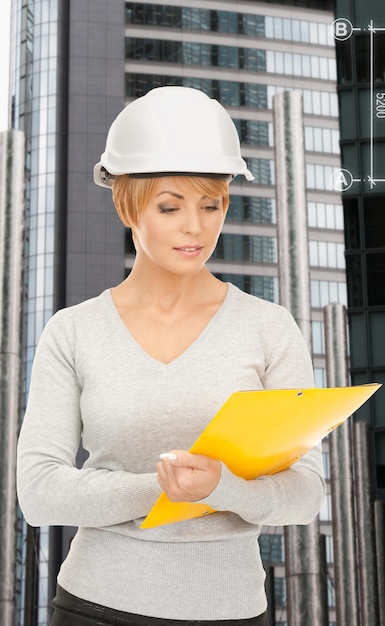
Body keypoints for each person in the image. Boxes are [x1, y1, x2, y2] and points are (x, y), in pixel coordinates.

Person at [16, 86, 325, 625]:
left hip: (233, 610)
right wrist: (158, 489)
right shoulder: (74, 332)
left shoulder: (268, 329)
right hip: (98, 607)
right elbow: (39, 491)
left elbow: (305, 494)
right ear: (128, 206)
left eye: (212, 205)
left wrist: (219, 487)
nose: (195, 227)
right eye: (169, 206)